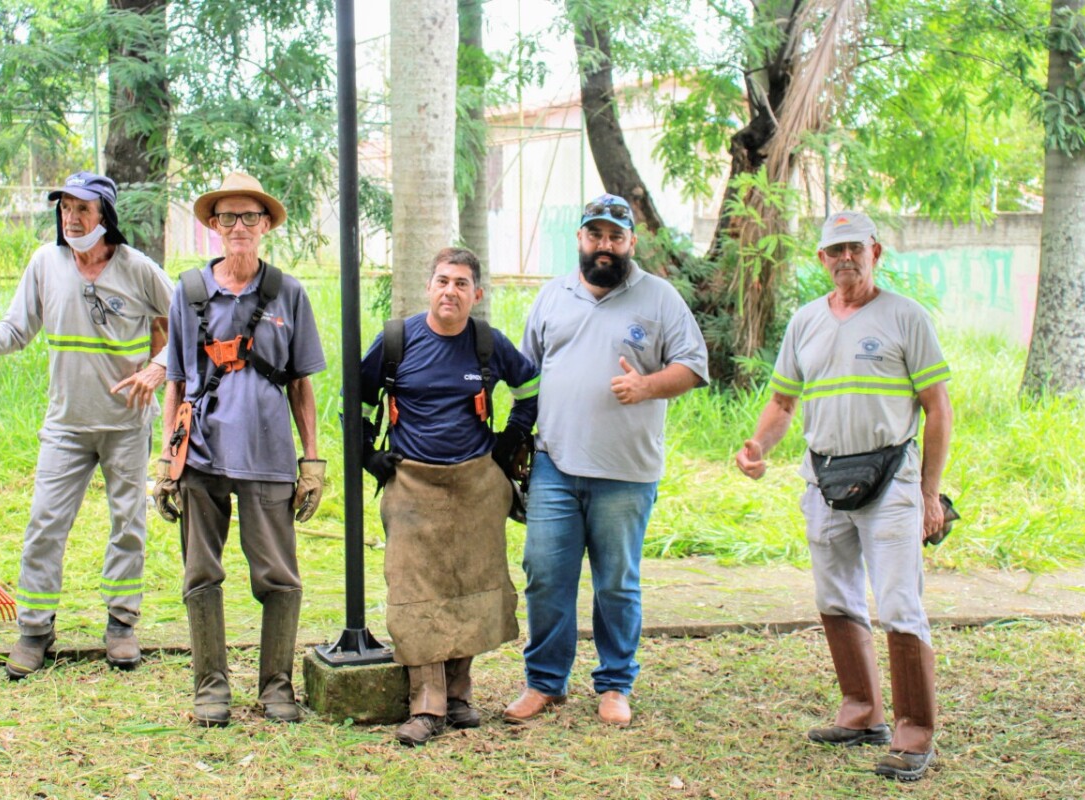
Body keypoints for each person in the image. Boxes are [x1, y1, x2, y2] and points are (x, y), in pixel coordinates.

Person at [0, 171, 174, 678]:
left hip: (126, 425)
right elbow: (16, 329)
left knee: (128, 523)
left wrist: (159, 366)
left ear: (103, 214)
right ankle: (35, 630)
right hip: (65, 425)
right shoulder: (46, 264)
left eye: (82, 209)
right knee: (44, 523)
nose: (71, 218)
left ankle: (121, 625)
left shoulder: (138, 269)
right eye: (64, 208)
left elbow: (189, 330)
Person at [735, 211, 953, 782]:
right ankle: (861, 714)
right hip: (823, 479)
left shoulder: (906, 316)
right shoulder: (806, 322)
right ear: (821, 259)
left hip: (892, 480)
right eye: (835, 250)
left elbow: (938, 408)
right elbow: (783, 403)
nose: (845, 259)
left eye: (855, 247)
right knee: (836, 598)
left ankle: (914, 732)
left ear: (876, 252)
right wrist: (758, 444)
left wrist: (930, 494)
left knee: (900, 603)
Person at [504, 194, 709, 728]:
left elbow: (693, 366)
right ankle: (545, 682)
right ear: (580, 238)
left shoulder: (660, 298)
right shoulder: (552, 297)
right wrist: (517, 439)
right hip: (555, 465)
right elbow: (528, 375)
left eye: (615, 236)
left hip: (625, 473)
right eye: (595, 235)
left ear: (630, 243)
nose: (605, 245)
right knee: (546, 574)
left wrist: (647, 385)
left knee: (616, 581)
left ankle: (616, 684)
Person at [155, 171, 326, 728]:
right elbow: (177, 379)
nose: (238, 227)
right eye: (227, 217)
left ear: (266, 225)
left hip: (269, 454)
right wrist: (165, 462)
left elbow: (301, 382)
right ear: (212, 226)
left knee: (278, 574)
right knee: (201, 572)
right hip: (201, 453)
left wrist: (313, 460)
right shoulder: (190, 291)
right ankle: (210, 688)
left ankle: (277, 688)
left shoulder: (287, 292)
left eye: (250, 217)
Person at [358, 247, 539, 747]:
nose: (450, 292)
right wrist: (365, 452)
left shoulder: (487, 343)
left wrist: (508, 443)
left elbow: (531, 385)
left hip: (477, 485)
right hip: (412, 483)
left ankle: (459, 695)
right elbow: (358, 393)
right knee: (415, 591)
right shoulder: (398, 340)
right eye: (442, 281)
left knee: (473, 587)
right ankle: (426, 705)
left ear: (476, 294)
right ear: (429, 287)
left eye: (462, 284)